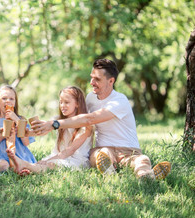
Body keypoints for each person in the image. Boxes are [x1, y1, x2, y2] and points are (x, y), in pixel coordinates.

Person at [31, 59, 171, 180]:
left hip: (127, 150)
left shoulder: (119, 101)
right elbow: (79, 119)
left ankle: (146, 175)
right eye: (92, 77)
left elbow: (89, 119)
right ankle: (110, 175)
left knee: (141, 160)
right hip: (103, 149)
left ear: (111, 81)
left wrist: (55, 124)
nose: (92, 82)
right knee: (98, 156)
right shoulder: (90, 98)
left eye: (97, 79)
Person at [7, 86, 93, 174]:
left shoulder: (85, 126)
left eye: (66, 102)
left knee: (51, 165)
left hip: (76, 160)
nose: (62, 106)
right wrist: (28, 133)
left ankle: (25, 165)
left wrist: (49, 160)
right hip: (58, 156)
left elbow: (70, 150)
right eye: (61, 102)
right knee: (43, 163)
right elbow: (43, 129)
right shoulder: (58, 120)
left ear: (77, 103)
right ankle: (26, 169)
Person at [0, 85, 36, 175]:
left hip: (19, 157)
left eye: (11, 99)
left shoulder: (21, 120)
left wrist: (16, 120)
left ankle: (19, 169)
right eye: (4, 98)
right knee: (4, 164)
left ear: (15, 102)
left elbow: (26, 142)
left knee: (22, 164)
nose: (8, 101)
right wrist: (1, 137)